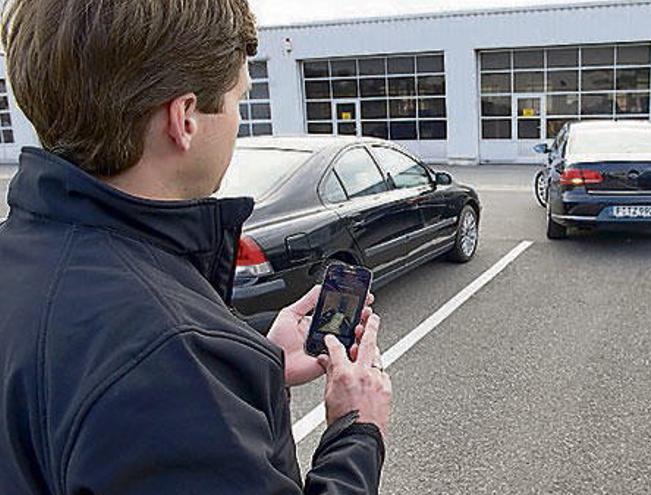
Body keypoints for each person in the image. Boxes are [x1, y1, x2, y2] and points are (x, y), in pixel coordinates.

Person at [0, 0, 392, 493]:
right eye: (238, 101)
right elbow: (149, 363)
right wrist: (357, 433)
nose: (237, 121)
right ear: (184, 118)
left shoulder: (23, 254)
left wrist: (248, 359)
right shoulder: (167, 362)